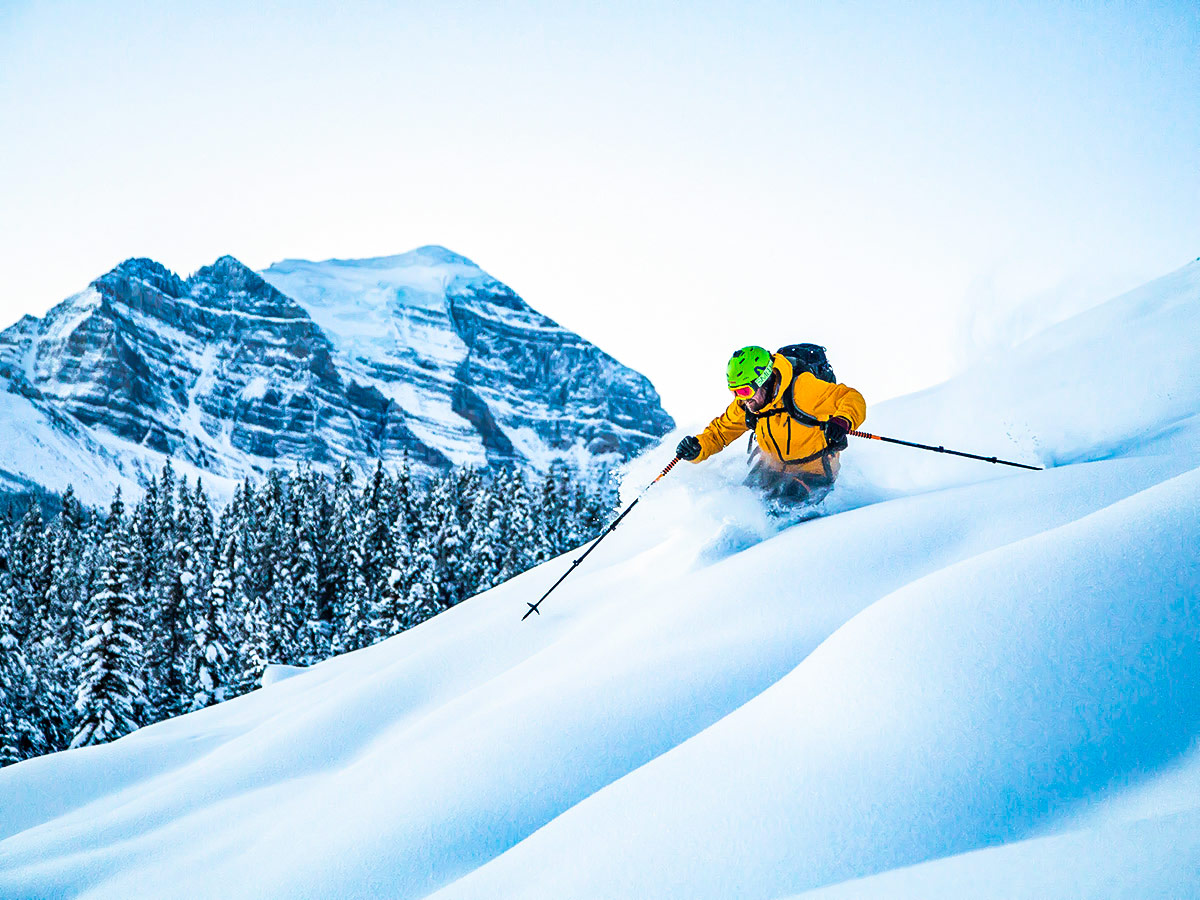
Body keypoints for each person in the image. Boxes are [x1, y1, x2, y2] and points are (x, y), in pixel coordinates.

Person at [675, 345, 867, 505]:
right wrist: (698, 447)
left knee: (780, 509)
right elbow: (719, 433)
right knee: (740, 504)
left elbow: (851, 398)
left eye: (744, 390)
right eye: (734, 392)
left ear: (764, 380)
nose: (742, 399)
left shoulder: (802, 389)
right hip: (771, 469)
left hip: (813, 473)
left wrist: (842, 420)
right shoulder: (748, 404)